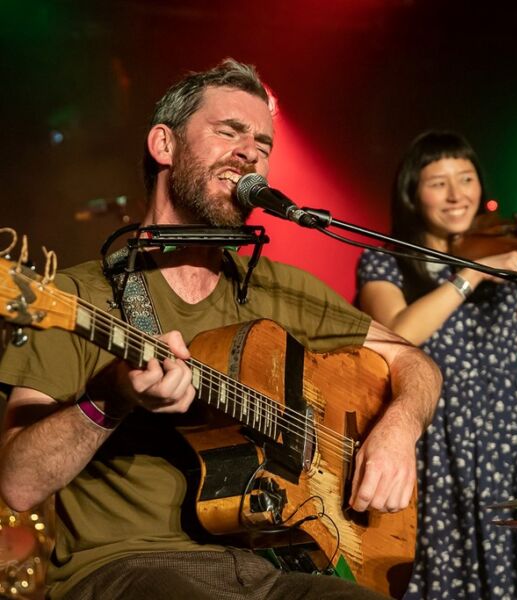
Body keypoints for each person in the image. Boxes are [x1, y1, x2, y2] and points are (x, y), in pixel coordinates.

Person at [0, 60, 442, 600]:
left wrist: (399, 427)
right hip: (128, 568)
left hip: (271, 564)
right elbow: (18, 484)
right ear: (164, 145)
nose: (251, 151)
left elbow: (413, 360)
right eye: (228, 132)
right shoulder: (74, 296)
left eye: (262, 143)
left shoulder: (280, 289)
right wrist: (109, 398)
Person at [357, 130, 517, 599]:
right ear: (412, 194)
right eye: (439, 182)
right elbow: (399, 333)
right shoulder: (385, 264)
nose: (457, 195)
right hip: (434, 440)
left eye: (466, 178)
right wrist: (472, 273)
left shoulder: (505, 263)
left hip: (511, 442)